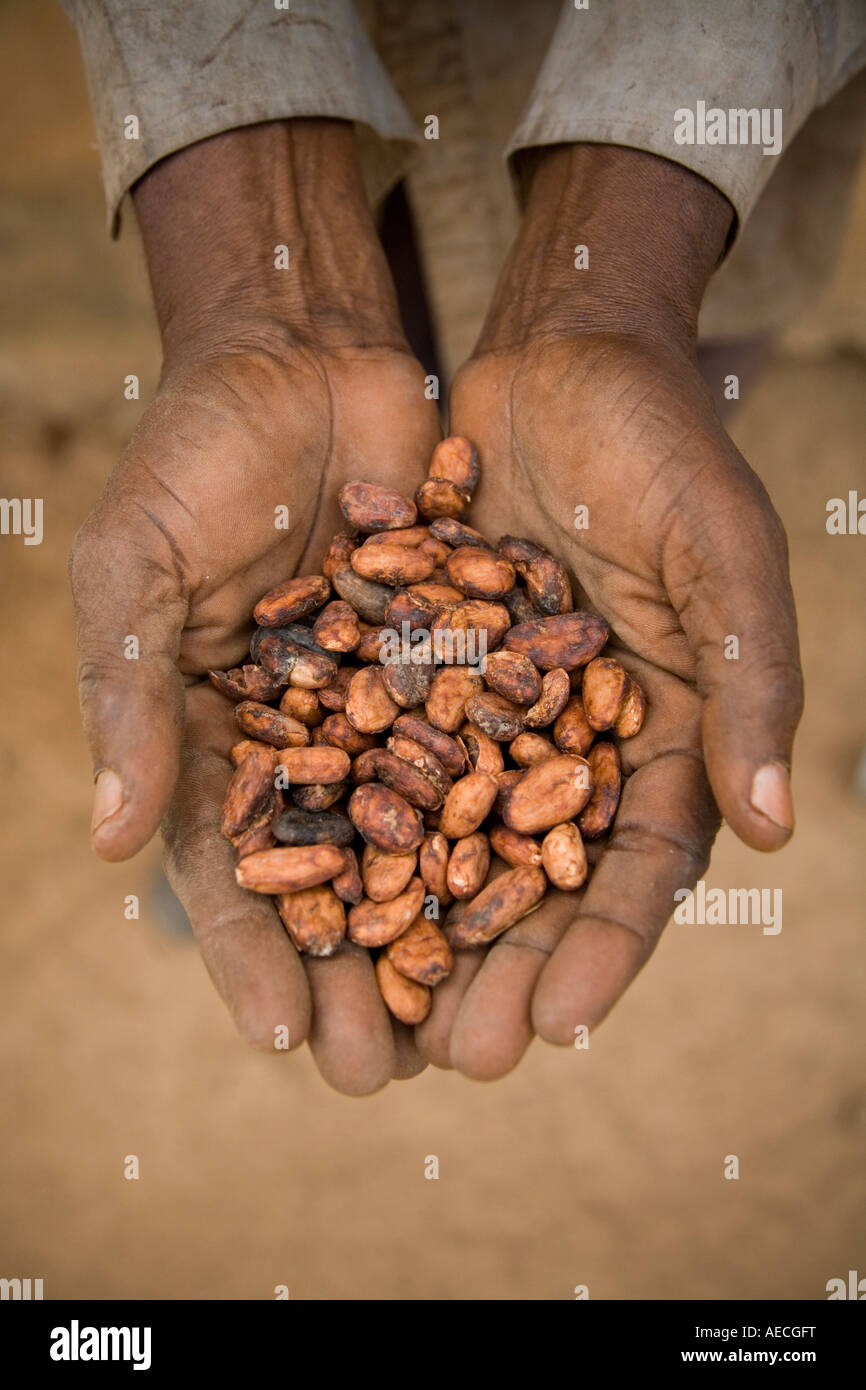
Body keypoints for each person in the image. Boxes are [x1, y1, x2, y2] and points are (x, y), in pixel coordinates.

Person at [63, 1, 865, 1094]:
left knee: (679, 387)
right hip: (372, 176)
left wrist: (614, 297)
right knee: (420, 333)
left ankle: (298, 842)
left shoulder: (472, 685)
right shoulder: (388, 663)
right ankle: (293, 835)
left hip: (685, 210)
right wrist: (262, 284)